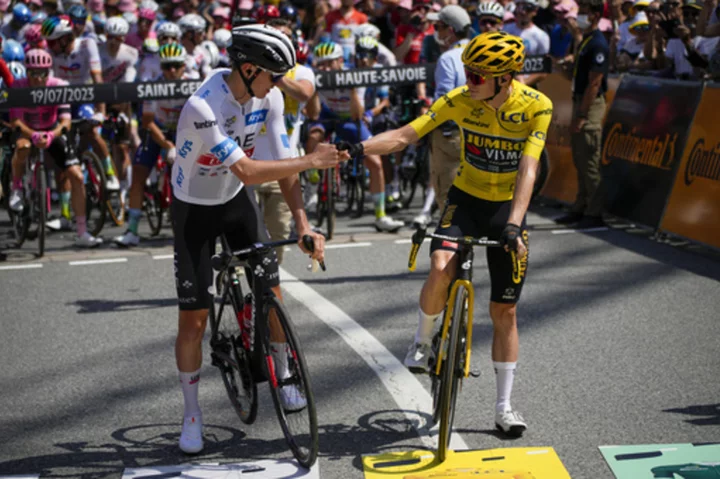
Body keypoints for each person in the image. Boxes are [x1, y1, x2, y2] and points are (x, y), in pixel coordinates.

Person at [338, 31, 553, 437]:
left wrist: (514, 224)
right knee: (440, 264)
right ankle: (422, 340)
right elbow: (404, 136)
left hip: (509, 207)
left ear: (504, 79)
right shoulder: (460, 100)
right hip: (466, 198)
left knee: (505, 311)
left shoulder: (536, 107)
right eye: (468, 72)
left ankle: (504, 406)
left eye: (477, 75)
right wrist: (358, 148)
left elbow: (529, 167)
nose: (468, 80)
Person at [171, 24, 347, 455]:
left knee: (271, 291)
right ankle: (191, 413)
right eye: (273, 74)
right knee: (193, 322)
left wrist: (303, 226)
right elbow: (249, 169)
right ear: (248, 69)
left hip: (234, 202)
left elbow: (283, 164)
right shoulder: (203, 105)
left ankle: (284, 374)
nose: (279, 84)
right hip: (194, 207)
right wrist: (313, 159)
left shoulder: (267, 97)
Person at [306, 41, 404, 232]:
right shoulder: (315, 76)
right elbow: (314, 115)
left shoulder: (353, 75)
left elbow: (357, 115)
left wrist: (351, 90)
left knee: (375, 163)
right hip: (326, 115)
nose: (325, 68)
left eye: (329, 63)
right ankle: (313, 181)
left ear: (340, 61)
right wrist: (315, 92)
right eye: (321, 64)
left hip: (349, 119)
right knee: (313, 135)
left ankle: (380, 215)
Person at [8, 50, 102, 247]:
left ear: (48, 72)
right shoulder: (17, 86)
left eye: (42, 73)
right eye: (33, 73)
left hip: (52, 130)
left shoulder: (58, 86)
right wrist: (32, 135)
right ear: (27, 72)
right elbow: (15, 120)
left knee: (76, 176)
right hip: (27, 130)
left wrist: (52, 134)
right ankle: (17, 187)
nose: (38, 78)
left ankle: (82, 231)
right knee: (22, 147)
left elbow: (65, 121)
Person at [253, 18, 317, 264]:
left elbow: (304, 93)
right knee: (245, 230)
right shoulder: (252, 71)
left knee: (278, 230)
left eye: (285, 35)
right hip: (250, 165)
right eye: (275, 35)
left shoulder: (301, 72)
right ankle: (240, 281)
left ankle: (271, 280)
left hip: (284, 167)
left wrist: (276, 75)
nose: (280, 39)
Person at [413, 5, 473, 229]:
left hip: (451, 136)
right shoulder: (479, 52)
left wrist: (422, 128)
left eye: (438, 27)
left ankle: (455, 249)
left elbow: (443, 103)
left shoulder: (448, 58)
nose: (435, 31)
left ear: (450, 29)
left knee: (449, 198)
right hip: (479, 132)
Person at [555, 0, 608, 228]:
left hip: (590, 105)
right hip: (579, 100)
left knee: (589, 159)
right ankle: (581, 205)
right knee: (579, 157)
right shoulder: (585, 40)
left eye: (585, 13)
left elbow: (594, 84)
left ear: (596, 15)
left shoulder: (598, 44)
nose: (581, 17)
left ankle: (594, 212)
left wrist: (583, 115)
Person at [503, 0, 550, 86]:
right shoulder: (505, 30)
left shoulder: (542, 36)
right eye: (520, 7)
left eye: (527, 8)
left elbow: (543, 70)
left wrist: (522, 85)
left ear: (535, 11)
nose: (523, 12)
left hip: (528, 85)